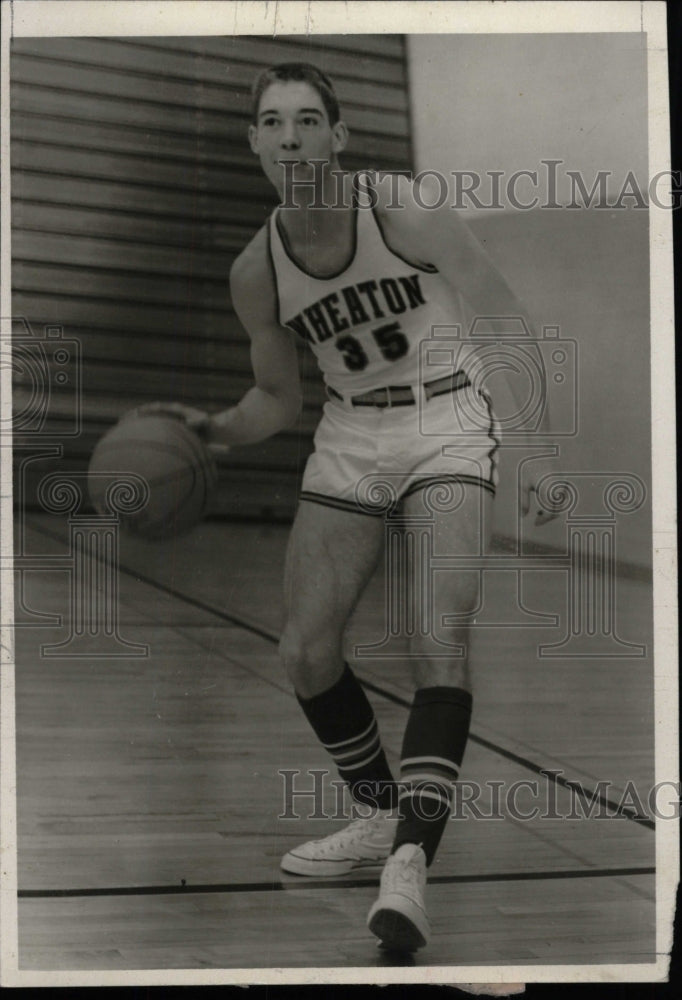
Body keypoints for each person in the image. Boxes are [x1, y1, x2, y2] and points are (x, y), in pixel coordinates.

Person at [146, 62, 558, 953]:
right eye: (272, 123)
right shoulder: (256, 269)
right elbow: (278, 400)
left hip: (449, 414)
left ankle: (410, 863)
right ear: (253, 142)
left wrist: (543, 449)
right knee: (305, 648)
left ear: (340, 135)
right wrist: (211, 429)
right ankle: (379, 816)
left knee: (435, 639)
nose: (290, 137)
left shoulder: (402, 212)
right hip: (349, 432)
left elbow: (506, 317)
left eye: (307, 120)